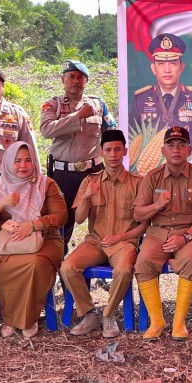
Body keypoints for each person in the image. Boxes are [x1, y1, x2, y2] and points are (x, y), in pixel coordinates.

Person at [0, 141, 66, 338]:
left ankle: (25, 319)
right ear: (8, 162)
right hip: (11, 242)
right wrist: (2, 203)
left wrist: (33, 225)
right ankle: (11, 317)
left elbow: (61, 216)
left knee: (34, 264)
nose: (23, 166)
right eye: (17, 161)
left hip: (46, 240)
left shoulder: (46, 184)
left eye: (28, 160)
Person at [61, 130, 146, 338]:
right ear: (101, 153)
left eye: (118, 149)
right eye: (108, 150)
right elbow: (79, 219)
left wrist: (121, 238)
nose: (113, 154)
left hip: (123, 242)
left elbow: (144, 225)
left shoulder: (138, 182)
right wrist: (87, 196)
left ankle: (108, 314)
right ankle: (90, 314)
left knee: (125, 270)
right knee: (67, 267)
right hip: (96, 242)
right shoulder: (90, 181)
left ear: (125, 151)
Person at [133, 126, 192, 341]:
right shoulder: (152, 177)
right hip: (158, 233)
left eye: (181, 145)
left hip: (190, 233)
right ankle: (157, 321)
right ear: (163, 151)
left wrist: (185, 237)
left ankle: (179, 322)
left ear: (189, 150)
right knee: (143, 263)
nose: (176, 150)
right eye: (171, 145)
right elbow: (138, 213)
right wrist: (156, 205)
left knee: (189, 261)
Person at [40, 59, 119, 249]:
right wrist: (77, 117)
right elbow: (46, 130)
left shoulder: (98, 104)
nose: (76, 81)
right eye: (71, 77)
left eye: (81, 77)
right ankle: (59, 264)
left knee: (102, 218)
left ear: (86, 81)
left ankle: (103, 259)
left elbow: (111, 132)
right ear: (63, 79)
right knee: (61, 220)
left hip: (93, 172)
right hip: (63, 174)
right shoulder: (53, 105)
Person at [132, 33, 192, 158]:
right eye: (161, 64)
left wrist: (188, 155)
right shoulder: (141, 99)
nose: (167, 70)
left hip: (187, 166)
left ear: (181, 67)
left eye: (173, 63)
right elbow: (131, 136)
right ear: (153, 68)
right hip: (151, 167)